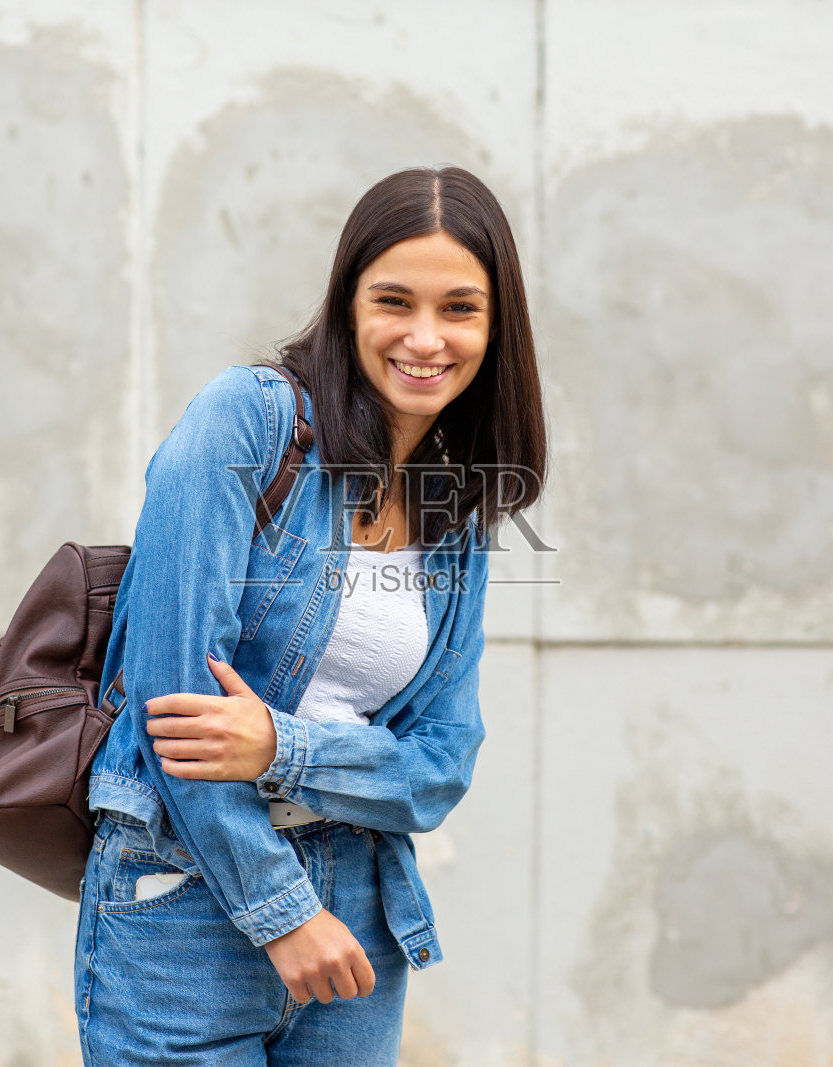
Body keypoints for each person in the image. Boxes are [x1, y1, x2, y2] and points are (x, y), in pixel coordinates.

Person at [73, 165, 547, 1065]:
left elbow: (442, 764)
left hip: (363, 914)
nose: (424, 336)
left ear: (496, 325)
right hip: (185, 899)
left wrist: (282, 748)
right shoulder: (245, 423)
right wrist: (281, 912)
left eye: (459, 309)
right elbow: (172, 706)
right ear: (347, 304)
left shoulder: (454, 503)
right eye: (394, 301)